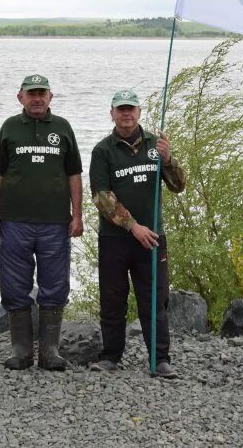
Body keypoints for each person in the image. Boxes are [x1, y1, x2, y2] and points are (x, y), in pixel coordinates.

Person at [88, 89, 186, 378]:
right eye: (120, 109)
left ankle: (160, 359)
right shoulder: (102, 151)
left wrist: (168, 160)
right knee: (113, 299)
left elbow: (179, 186)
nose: (126, 114)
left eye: (131, 109)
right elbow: (102, 198)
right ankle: (110, 356)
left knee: (154, 300)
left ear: (139, 112)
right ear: (112, 114)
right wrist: (134, 227)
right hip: (115, 239)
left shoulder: (157, 145)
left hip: (154, 238)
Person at [0, 74, 83, 370]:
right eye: (31, 93)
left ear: (51, 97)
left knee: (54, 285)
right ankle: (21, 351)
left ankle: (49, 352)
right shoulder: (9, 128)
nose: (37, 98)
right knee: (15, 285)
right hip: (14, 221)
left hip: (55, 222)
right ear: (20, 97)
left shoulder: (63, 128)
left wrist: (77, 215)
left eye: (42, 93)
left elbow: (75, 175)